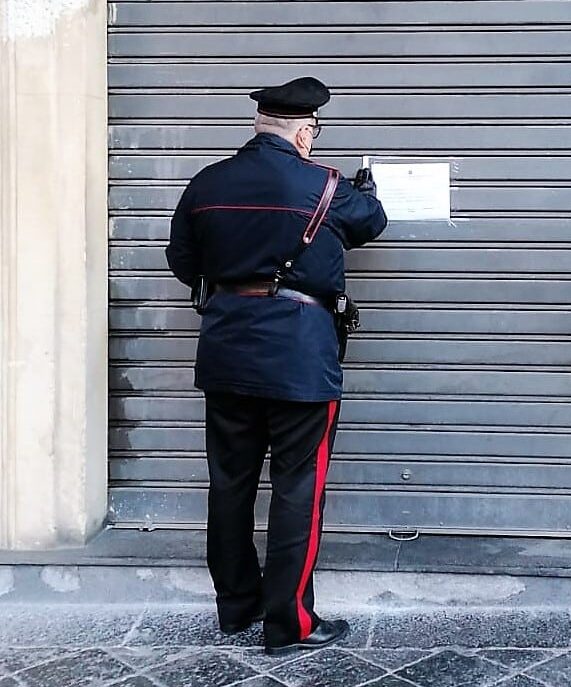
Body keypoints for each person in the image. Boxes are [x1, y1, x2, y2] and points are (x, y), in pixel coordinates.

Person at [166, 76, 387, 655]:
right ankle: (289, 623)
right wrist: (366, 188)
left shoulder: (206, 183)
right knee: (297, 489)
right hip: (299, 358)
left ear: (260, 123)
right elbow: (372, 222)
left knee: (230, 484)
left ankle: (236, 608)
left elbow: (183, 261)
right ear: (306, 130)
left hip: (226, 352)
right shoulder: (326, 186)